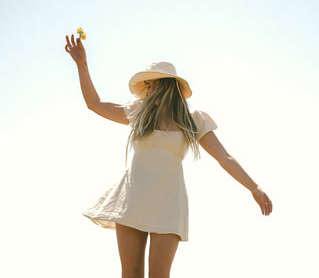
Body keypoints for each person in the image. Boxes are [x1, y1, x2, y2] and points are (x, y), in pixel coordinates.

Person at [65, 34, 272, 278]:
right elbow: (95, 103)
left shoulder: (193, 120)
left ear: (166, 86)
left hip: (169, 202)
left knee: (159, 274)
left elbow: (224, 158)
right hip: (133, 197)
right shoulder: (138, 113)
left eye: (151, 84)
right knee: (130, 272)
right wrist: (82, 65)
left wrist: (254, 187)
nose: (147, 90)